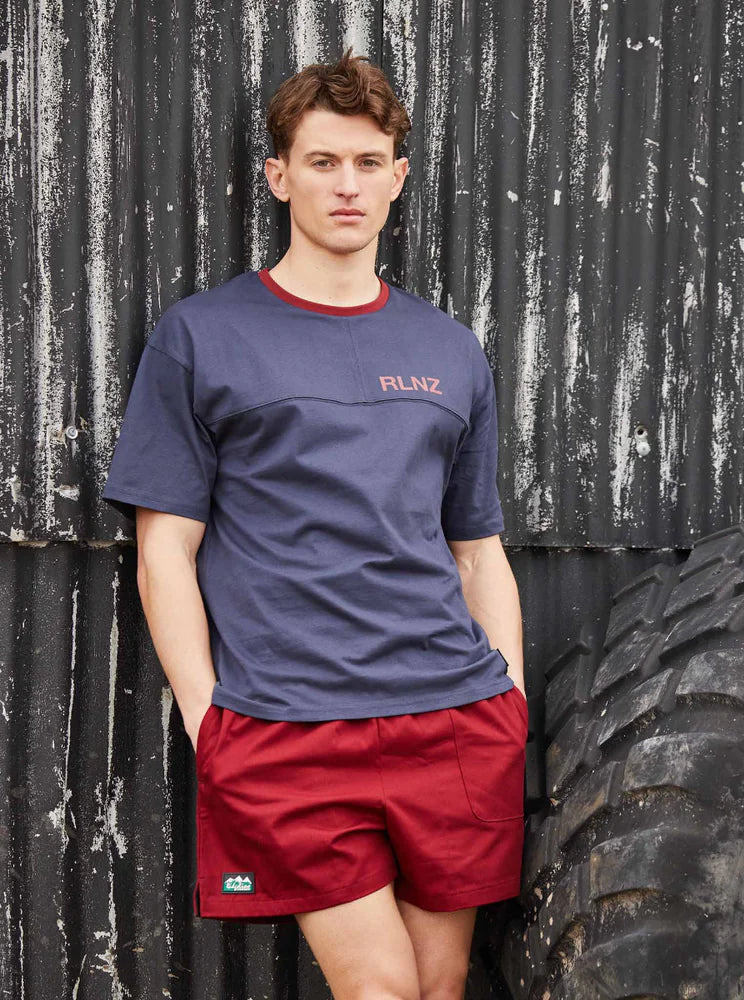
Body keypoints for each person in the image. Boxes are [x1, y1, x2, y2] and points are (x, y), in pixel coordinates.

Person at [100, 47, 527, 1000]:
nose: (347, 186)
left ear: (398, 179)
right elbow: (165, 550)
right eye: (324, 162)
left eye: (369, 163)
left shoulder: (448, 349)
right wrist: (211, 719)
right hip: (291, 726)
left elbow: (477, 550)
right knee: (376, 987)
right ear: (279, 175)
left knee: (440, 986)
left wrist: (511, 702)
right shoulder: (203, 335)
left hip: (451, 720)